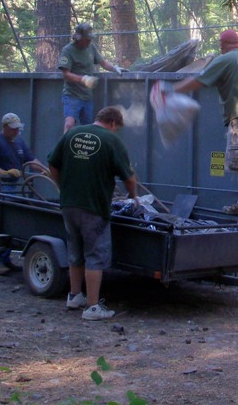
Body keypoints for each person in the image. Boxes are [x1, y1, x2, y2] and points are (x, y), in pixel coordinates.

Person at [48, 106, 138, 321]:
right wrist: (133, 196)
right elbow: (129, 177)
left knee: (75, 250)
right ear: (113, 123)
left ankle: (74, 295)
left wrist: (62, 188)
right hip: (94, 207)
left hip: (69, 205)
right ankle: (93, 307)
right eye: (117, 128)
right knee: (95, 255)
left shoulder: (72, 133)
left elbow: (52, 163)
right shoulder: (111, 140)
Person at [170, 29, 238, 225]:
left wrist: (171, 90)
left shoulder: (225, 59)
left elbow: (199, 80)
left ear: (222, 44)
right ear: (237, 42)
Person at [0, 113, 49, 275]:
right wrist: (4, 172)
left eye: (18, 129)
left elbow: (31, 160)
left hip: (16, 187)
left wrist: (45, 171)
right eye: (13, 129)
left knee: (12, 223)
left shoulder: (19, 142)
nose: (16, 132)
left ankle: (6, 259)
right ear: (5, 127)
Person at [58, 22, 128, 133]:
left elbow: (103, 63)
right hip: (72, 95)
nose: (90, 41)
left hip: (87, 96)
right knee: (69, 124)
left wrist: (114, 68)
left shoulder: (91, 47)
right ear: (79, 38)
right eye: (87, 39)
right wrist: (83, 79)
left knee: (89, 128)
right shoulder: (68, 50)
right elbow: (66, 74)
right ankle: (64, 148)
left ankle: (88, 148)